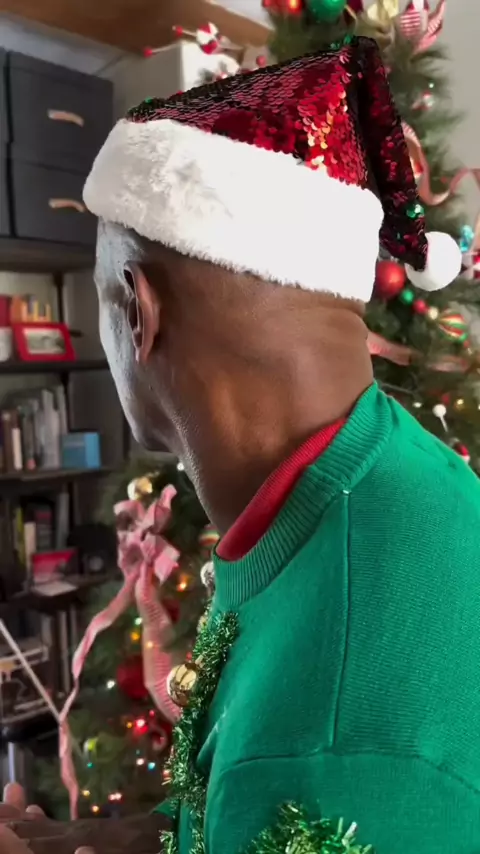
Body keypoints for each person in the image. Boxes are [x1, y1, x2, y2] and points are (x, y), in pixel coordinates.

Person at [4, 34, 480, 854]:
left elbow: (313, 774)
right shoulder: (378, 471)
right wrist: (137, 840)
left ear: (137, 310)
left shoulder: (329, 742)